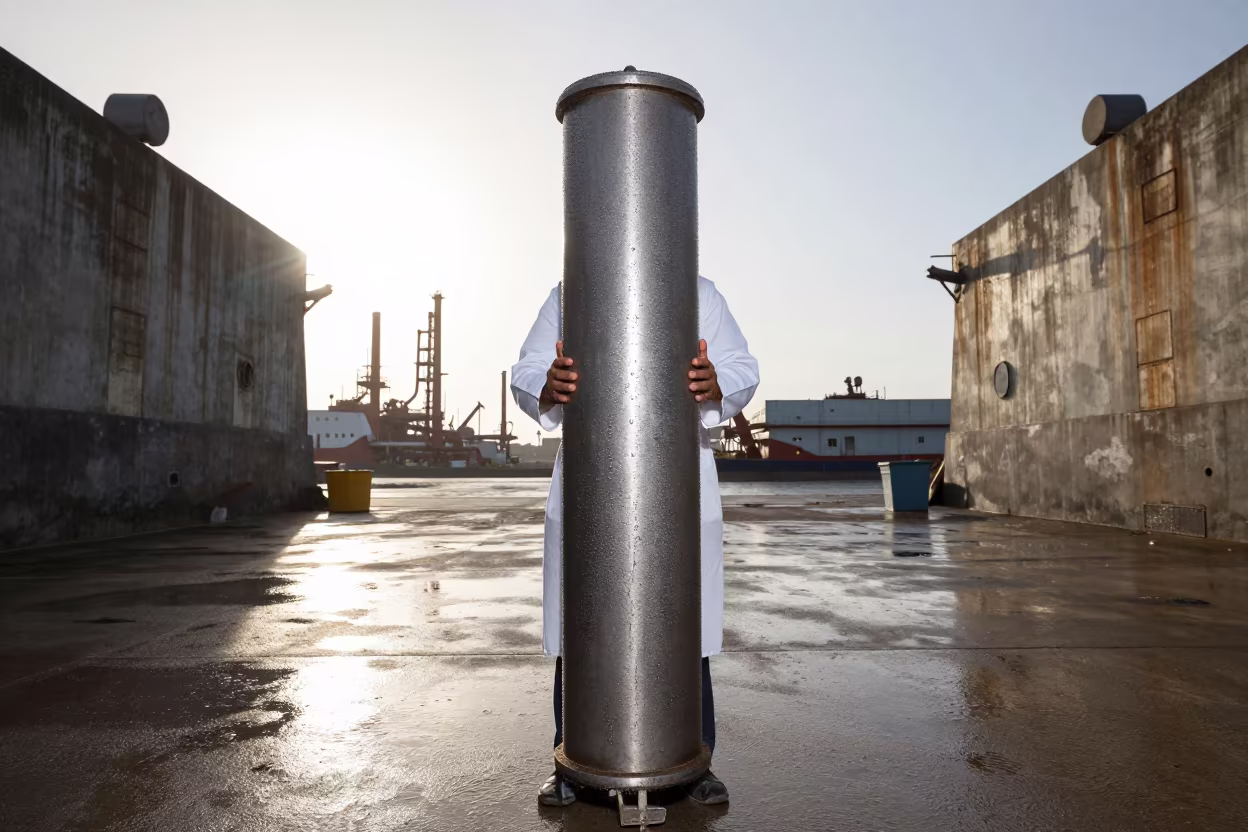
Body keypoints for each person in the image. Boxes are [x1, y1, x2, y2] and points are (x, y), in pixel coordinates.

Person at [511, 276, 759, 808]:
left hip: (677, 474)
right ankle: (569, 763)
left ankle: (698, 764)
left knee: (681, 624)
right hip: (592, 470)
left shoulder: (698, 292)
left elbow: (743, 366)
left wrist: (718, 382)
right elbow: (526, 368)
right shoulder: (571, 290)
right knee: (583, 623)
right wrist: (547, 383)